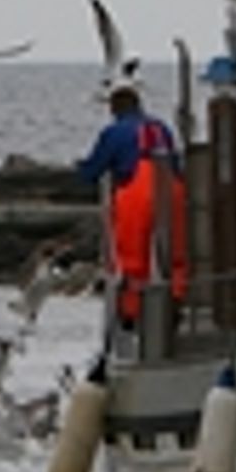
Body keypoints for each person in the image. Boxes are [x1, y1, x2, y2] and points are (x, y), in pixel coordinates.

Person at [79, 84, 187, 326]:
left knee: (132, 259)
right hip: (173, 190)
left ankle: (132, 316)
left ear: (115, 108)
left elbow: (93, 170)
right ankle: (176, 304)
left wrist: (80, 172)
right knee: (175, 253)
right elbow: (176, 163)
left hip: (136, 193)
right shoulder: (161, 127)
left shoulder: (114, 132)